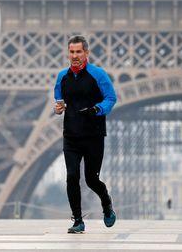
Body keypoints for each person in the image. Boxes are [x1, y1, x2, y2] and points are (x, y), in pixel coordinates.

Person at [54, 35, 117, 234]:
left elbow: (111, 98)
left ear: (86, 53)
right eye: (72, 52)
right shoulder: (62, 76)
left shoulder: (98, 74)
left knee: (91, 179)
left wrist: (98, 109)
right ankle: (78, 220)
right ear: (68, 53)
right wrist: (58, 108)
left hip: (93, 135)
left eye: (79, 52)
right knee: (72, 176)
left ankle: (106, 202)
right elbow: (59, 99)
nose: (75, 56)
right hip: (71, 134)